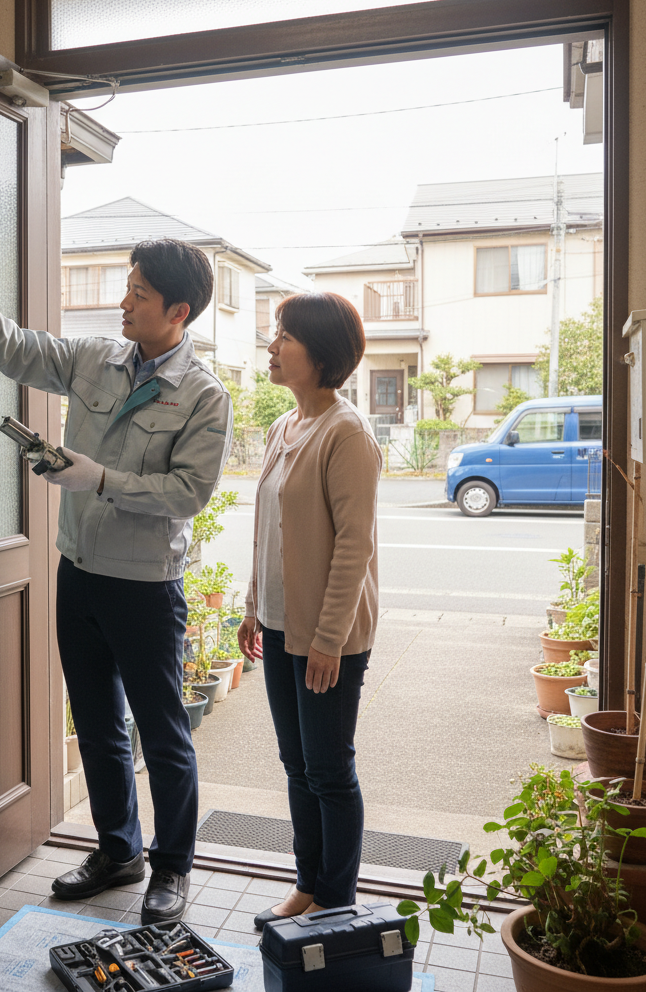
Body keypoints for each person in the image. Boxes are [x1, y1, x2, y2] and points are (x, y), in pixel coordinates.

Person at [0, 239, 232, 924]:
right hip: (80, 574)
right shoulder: (98, 357)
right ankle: (118, 851)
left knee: (164, 734)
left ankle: (173, 867)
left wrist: (95, 477)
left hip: (147, 587)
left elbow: (188, 493)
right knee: (96, 724)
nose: (124, 302)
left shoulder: (205, 396)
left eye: (139, 294)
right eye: (128, 288)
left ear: (177, 311)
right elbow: (21, 351)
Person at [237, 292, 381, 929]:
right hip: (277, 623)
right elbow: (269, 529)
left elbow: (354, 545)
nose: (272, 346)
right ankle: (308, 882)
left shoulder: (346, 433)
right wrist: (250, 606)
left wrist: (328, 639)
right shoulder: (283, 426)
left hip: (328, 637)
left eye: (284, 336)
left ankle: (336, 895)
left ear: (320, 354)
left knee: (327, 767)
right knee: (296, 763)